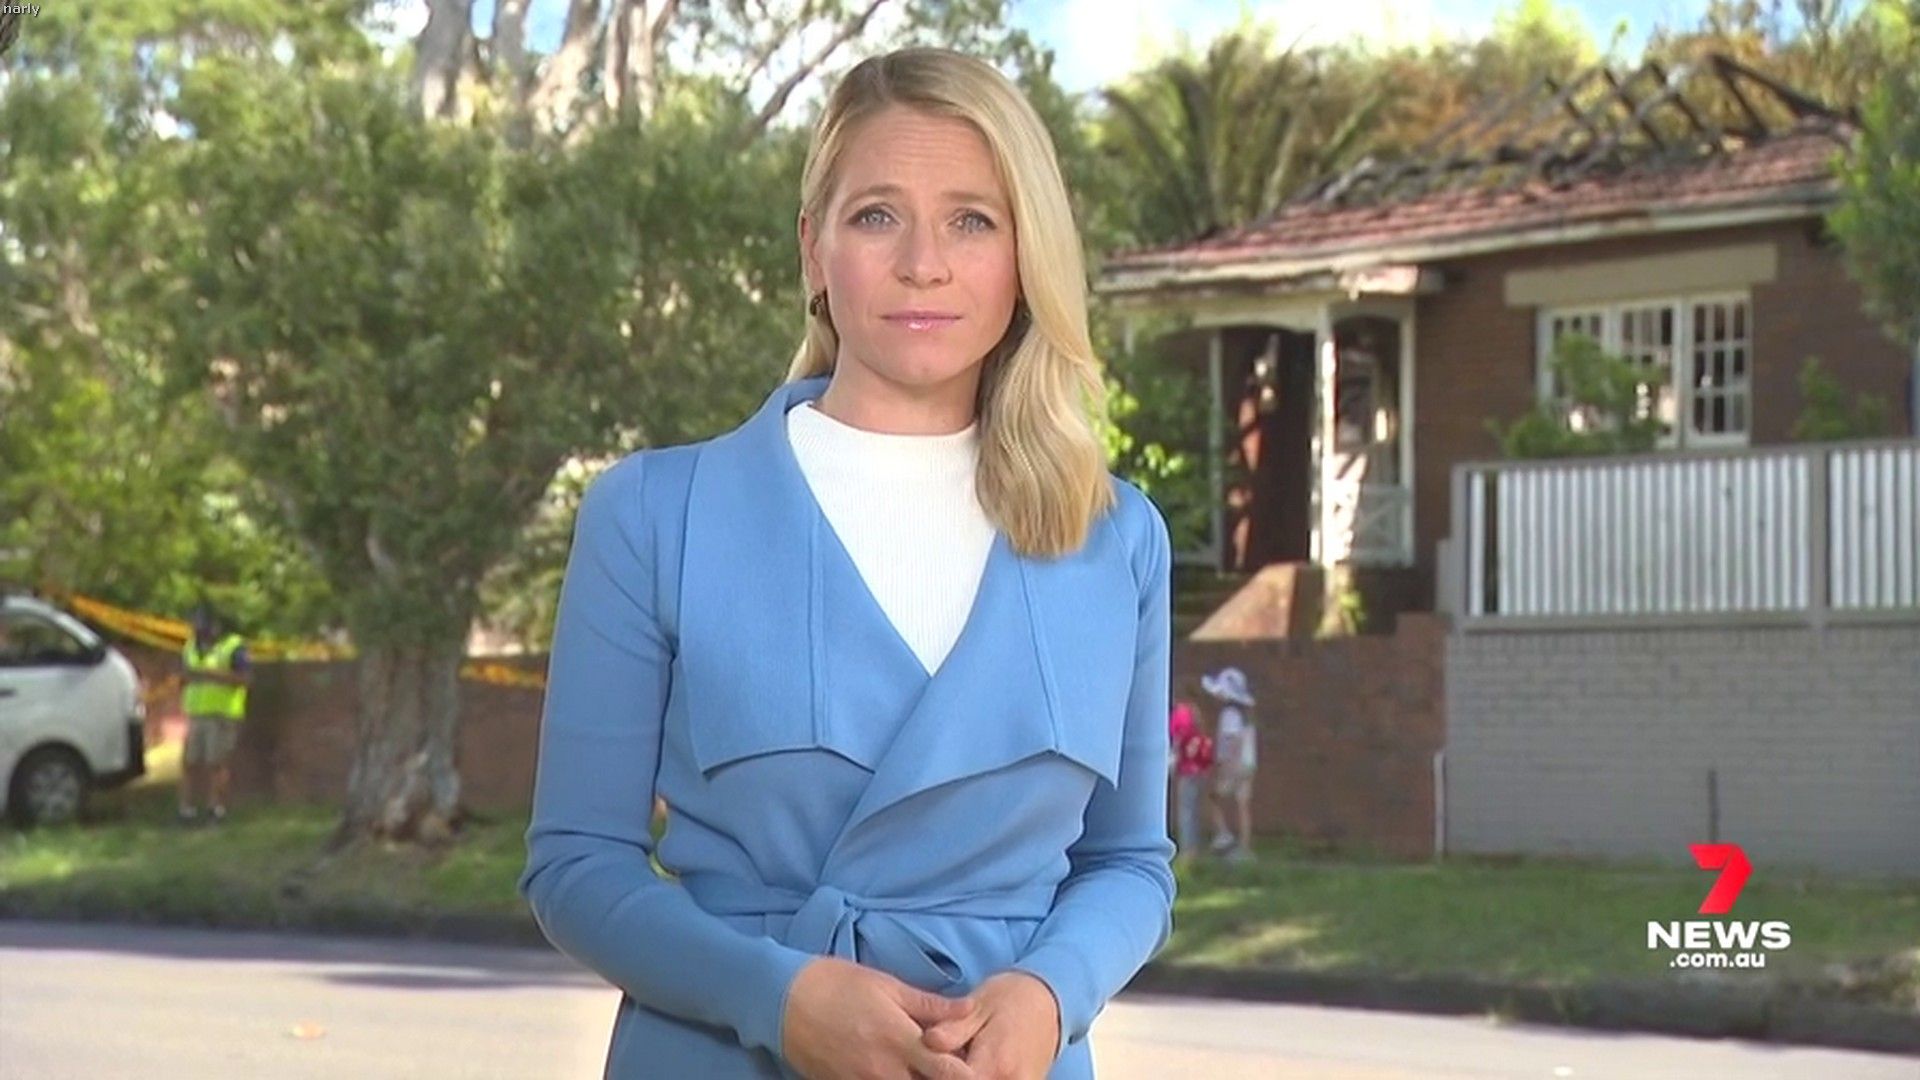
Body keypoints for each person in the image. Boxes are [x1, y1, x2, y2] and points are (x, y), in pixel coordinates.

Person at [519, 47, 1176, 1080]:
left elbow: (1130, 862)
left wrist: (1050, 997)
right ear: (813, 251)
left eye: (972, 220)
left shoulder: (1117, 538)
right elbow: (575, 864)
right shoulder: (651, 515)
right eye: (877, 216)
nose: (924, 262)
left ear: (1027, 253)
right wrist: (775, 1000)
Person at [177, 604, 250, 824]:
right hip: (196, 714)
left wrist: (211, 674)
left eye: (202, 625)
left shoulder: (233, 646)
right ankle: (186, 811)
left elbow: (244, 679)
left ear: (215, 626)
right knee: (189, 763)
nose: (198, 630)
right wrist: (185, 678)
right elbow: (184, 675)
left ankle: (215, 809)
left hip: (222, 714)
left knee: (216, 764)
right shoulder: (190, 647)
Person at [1202, 666, 1258, 864]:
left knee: (1213, 798)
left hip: (1234, 765)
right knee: (1243, 805)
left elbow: (1232, 742)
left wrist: (1225, 767)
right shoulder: (1246, 716)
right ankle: (1245, 848)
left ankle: (1224, 836)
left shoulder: (1229, 715)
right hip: (1248, 764)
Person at [1168, 700, 1212, 867]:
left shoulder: (1180, 714)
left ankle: (1187, 852)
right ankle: (1194, 848)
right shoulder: (1194, 712)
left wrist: (1172, 765)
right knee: (1194, 811)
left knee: (1186, 811)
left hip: (1186, 770)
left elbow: (1177, 742)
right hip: (1199, 769)